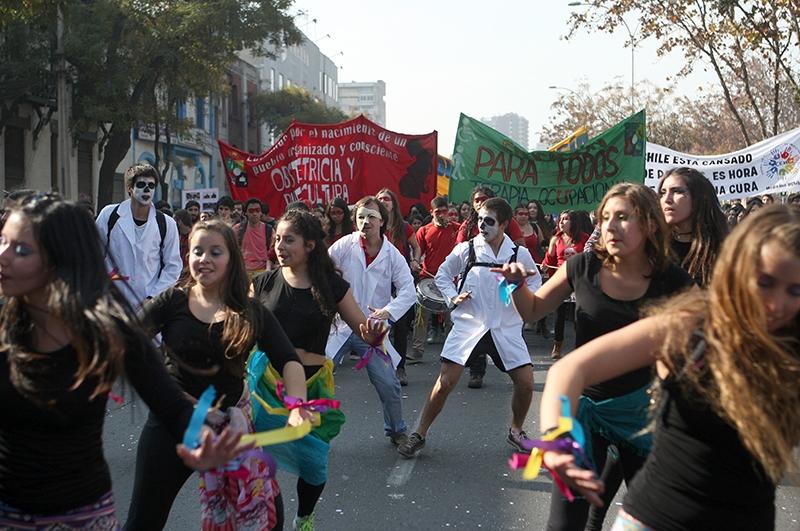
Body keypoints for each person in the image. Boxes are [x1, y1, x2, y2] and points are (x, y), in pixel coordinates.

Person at [535, 204, 800, 531]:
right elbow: (570, 370)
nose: (776, 304)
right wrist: (556, 437)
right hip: (656, 518)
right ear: (738, 272)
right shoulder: (693, 324)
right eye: (765, 282)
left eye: (795, 290)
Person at [0, 194, 242, 529]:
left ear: (58, 259)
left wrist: (202, 441)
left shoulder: (106, 329)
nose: (3, 257)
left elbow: (171, 406)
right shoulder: (4, 327)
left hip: (85, 517)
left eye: (21, 249)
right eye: (3, 242)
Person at [497, 183, 693, 531]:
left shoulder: (672, 279)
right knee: (565, 525)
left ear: (649, 224)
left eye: (623, 217)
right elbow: (532, 310)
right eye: (605, 218)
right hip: (584, 410)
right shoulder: (582, 266)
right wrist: (515, 285)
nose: (611, 226)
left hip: (644, 415)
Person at [124, 219, 308, 531]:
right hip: (173, 424)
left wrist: (298, 405)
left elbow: (288, 359)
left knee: (266, 519)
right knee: (143, 521)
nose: (204, 259)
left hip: (230, 428)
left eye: (215, 252)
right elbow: (128, 343)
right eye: (197, 251)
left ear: (231, 259)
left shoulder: (249, 310)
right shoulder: (173, 301)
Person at [251, 210, 385, 530]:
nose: (280, 246)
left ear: (310, 245)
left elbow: (362, 328)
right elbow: (241, 329)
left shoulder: (331, 285)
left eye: (289, 240)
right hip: (265, 383)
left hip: (311, 387)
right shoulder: (263, 282)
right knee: (257, 459)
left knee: (314, 466)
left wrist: (375, 332)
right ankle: (265, 519)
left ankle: (303, 517)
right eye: (277, 239)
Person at [398, 198, 542, 459]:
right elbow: (442, 275)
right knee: (445, 382)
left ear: (504, 224)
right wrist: (453, 297)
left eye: (489, 221)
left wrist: (520, 302)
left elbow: (535, 285)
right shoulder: (467, 249)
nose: (482, 226)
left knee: (526, 383)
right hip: (469, 325)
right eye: (480, 220)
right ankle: (419, 434)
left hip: (505, 328)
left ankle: (516, 430)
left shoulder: (518, 254)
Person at [326, 196, 415, 446]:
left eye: (371, 217)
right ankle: (308, 432)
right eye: (361, 217)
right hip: (340, 325)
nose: (366, 222)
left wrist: (388, 311)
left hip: (374, 331)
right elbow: (321, 273)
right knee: (317, 374)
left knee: (388, 383)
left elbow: (408, 289)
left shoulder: (393, 255)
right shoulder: (343, 246)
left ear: (382, 222)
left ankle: (397, 430)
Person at [457, 186, 526, 388]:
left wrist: (521, 298)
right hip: (476, 293)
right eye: (477, 199)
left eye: (484, 198)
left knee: (507, 333)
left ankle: (517, 369)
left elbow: (519, 248)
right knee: (476, 333)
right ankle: (476, 372)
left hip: (502, 290)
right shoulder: (468, 225)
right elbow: (457, 254)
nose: (480, 202)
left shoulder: (507, 222)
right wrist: (455, 294)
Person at [95, 163, 182, 308]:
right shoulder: (109, 216)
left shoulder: (166, 224)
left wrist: (153, 298)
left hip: (150, 306)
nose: (147, 189)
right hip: (114, 304)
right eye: (141, 184)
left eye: (151, 185)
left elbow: (173, 267)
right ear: (130, 188)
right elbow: (93, 255)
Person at [376, 188, 421, 385]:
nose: (383, 201)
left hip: (400, 279)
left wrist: (415, 260)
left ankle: (400, 368)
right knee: (379, 324)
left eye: (386, 198)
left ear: (393, 202)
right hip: (380, 279)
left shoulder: (404, 226)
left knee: (401, 326)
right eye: (380, 199)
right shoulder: (374, 226)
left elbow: (416, 246)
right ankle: (384, 366)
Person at [409, 196, 460, 364]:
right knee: (420, 318)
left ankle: (452, 352)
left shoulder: (457, 229)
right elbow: (417, 250)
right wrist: (415, 262)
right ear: (432, 212)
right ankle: (417, 351)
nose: (442, 215)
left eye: (445, 211)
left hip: (449, 280)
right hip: (427, 279)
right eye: (438, 212)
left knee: (451, 319)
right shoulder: (424, 230)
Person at [658, 166, 728, 286]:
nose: (667, 199)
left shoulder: (724, 249)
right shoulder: (654, 246)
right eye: (663, 193)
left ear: (697, 199)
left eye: (677, 191)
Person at [543, 210, 591, 359]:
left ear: (574, 222)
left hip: (579, 280)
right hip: (561, 280)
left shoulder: (584, 238)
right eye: (561, 219)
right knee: (560, 314)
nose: (562, 222)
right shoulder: (555, 239)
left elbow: (590, 257)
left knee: (579, 314)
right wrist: (545, 265)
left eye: (566, 219)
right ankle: (557, 345)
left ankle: (580, 346)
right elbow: (549, 259)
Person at [233, 198, 273, 277]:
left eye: (257, 210)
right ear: (245, 213)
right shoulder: (237, 229)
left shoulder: (269, 230)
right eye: (251, 211)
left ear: (261, 212)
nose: (254, 213)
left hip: (263, 272)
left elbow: (272, 253)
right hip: (243, 272)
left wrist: (268, 269)